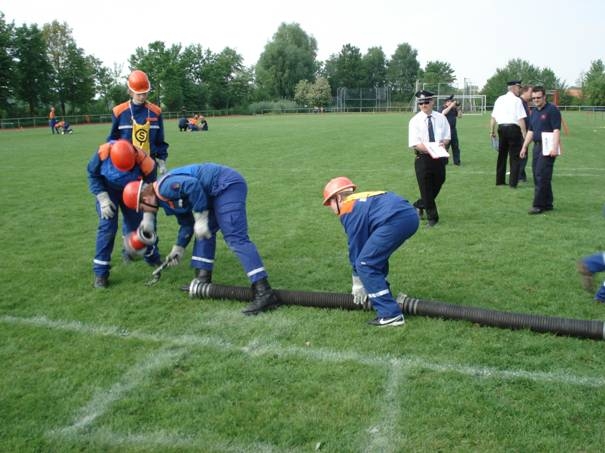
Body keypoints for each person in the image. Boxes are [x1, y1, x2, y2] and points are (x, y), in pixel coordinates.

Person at [122, 163, 280, 315]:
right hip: (214, 191)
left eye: (141, 208)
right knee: (203, 233)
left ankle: (264, 292)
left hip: (226, 185)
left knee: (235, 237)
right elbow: (187, 224)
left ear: (145, 196)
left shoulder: (164, 188)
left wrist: (200, 217)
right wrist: (179, 248)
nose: (144, 211)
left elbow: (193, 185)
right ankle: (202, 280)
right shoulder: (163, 200)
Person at [322, 177, 419, 327]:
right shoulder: (360, 200)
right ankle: (384, 295)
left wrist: (357, 280)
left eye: (330, 202)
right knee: (374, 258)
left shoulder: (348, 208)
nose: (330, 207)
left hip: (395, 220)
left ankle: (390, 315)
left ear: (338, 197)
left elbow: (356, 245)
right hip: (408, 215)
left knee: (365, 263)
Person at [88, 139, 161, 288]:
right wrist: (102, 197)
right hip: (108, 191)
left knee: (139, 225)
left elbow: (150, 192)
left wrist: (147, 216)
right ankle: (101, 273)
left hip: (134, 190)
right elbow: (92, 174)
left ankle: (152, 258)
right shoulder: (102, 153)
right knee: (107, 227)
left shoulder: (147, 163)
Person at [108, 70, 169, 175]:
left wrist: (162, 160)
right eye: (139, 94)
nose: (142, 97)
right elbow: (113, 140)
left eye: (145, 93)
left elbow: (160, 140)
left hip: (150, 165)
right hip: (127, 166)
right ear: (130, 91)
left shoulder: (156, 112)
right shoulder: (119, 112)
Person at [408, 90, 451, 227]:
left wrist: (443, 143)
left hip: (439, 157)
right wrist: (431, 148)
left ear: (432, 102)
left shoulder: (441, 118)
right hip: (423, 158)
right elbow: (415, 143)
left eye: (426, 102)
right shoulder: (414, 121)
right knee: (426, 187)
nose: (423, 105)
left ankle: (419, 204)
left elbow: (447, 137)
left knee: (439, 181)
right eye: (420, 103)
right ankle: (433, 218)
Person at [520, 86, 561, 214]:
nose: (536, 100)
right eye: (533, 98)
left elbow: (556, 130)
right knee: (539, 175)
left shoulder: (552, 110)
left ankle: (538, 205)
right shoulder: (534, 112)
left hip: (548, 147)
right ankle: (548, 203)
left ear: (544, 97)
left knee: (541, 175)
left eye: (538, 97)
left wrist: (555, 147)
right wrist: (524, 146)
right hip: (537, 147)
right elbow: (531, 131)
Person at [490, 80, 527, 188]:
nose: (520, 90)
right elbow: (520, 119)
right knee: (514, 156)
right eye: (519, 88)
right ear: (514, 87)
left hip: (501, 128)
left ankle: (500, 181)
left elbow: (493, 117)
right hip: (513, 129)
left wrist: (492, 131)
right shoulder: (517, 101)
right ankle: (513, 183)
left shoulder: (499, 99)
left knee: (502, 155)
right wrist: (524, 133)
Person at [439, 95, 462, 165]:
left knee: (455, 146)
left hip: (453, 130)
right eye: (450, 101)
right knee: (445, 147)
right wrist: (451, 105)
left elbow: (459, 116)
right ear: (446, 102)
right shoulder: (442, 108)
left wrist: (459, 109)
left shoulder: (453, 109)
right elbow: (443, 113)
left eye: (452, 101)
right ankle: (444, 161)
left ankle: (457, 162)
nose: (452, 102)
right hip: (445, 131)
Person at [518, 85, 533, 182]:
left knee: (522, 153)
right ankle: (519, 175)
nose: (532, 94)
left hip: (524, 131)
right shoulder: (520, 102)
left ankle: (521, 175)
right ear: (524, 92)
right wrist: (524, 133)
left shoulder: (524, 102)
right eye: (531, 92)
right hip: (521, 132)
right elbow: (521, 119)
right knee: (523, 153)